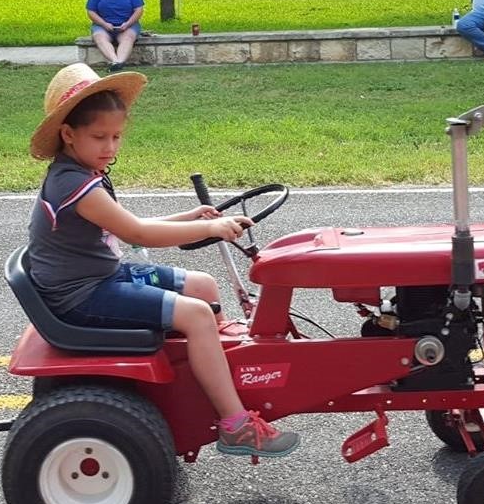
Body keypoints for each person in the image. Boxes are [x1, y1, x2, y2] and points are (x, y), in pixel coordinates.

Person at [26, 63, 300, 458]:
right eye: (99, 137)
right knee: (197, 315)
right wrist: (210, 229)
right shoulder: (73, 184)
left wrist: (190, 217)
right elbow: (137, 234)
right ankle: (235, 425)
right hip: (84, 295)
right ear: (68, 134)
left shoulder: (83, 171)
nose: (110, 147)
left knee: (202, 285)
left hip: (101, 276)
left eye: (117, 136)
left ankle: (210, 378)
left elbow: (126, 226)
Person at [85, 0, 147, 73]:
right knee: (99, 37)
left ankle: (119, 62)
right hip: (103, 25)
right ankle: (115, 61)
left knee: (128, 38)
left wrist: (128, 24)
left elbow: (139, 9)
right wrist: (104, 24)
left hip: (127, 25)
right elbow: (91, 11)